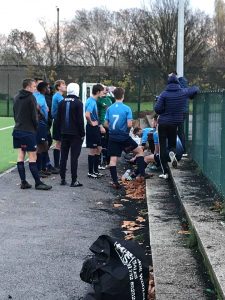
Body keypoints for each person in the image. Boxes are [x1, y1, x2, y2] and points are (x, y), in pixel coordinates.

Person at [155, 73, 199, 179]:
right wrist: (192, 96)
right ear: (178, 82)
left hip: (163, 123)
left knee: (162, 147)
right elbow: (195, 89)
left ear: (168, 83)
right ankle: (172, 152)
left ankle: (165, 172)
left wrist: (164, 110)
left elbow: (157, 109)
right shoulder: (183, 92)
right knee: (172, 144)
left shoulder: (164, 94)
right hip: (174, 124)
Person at [104, 87, 149, 189]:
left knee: (113, 160)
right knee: (139, 151)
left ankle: (115, 182)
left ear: (114, 96)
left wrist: (112, 129)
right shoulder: (126, 108)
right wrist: (126, 132)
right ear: (123, 96)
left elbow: (105, 124)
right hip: (124, 137)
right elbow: (129, 124)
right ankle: (142, 174)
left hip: (113, 137)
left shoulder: (110, 108)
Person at [12, 78, 52, 190]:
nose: (35, 88)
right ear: (28, 87)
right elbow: (35, 117)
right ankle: (38, 183)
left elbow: (15, 115)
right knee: (32, 157)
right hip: (28, 132)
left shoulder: (15, 97)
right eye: (34, 86)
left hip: (17, 130)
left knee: (20, 156)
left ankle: (24, 182)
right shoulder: (31, 98)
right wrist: (35, 128)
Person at [57, 83, 85, 187]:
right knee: (74, 157)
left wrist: (58, 133)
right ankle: (74, 180)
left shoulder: (61, 102)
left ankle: (62, 179)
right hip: (76, 134)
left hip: (64, 133)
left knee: (63, 156)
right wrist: (82, 133)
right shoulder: (78, 103)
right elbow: (80, 120)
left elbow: (58, 120)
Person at [85, 84, 105, 179]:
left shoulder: (94, 101)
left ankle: (96, 170)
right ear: (98, 92)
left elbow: (95, 115)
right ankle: (90, 172)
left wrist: (100, 126)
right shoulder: (91, 101)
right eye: (102, 91)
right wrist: (91, 123)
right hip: (91, 128)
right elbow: (87, 114)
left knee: (99, 148)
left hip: (96, 128)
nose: (103, 93)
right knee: (93, 150)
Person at [51, 79, 67, 170]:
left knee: (60, 143)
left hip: (60, 122)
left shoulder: (59, 96)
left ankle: (59, 164)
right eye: (63, 84)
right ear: (58, 87)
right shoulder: (58, 97)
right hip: (58, 122)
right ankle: (57, 165)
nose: (65, 86)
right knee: (58, 143)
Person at [97, 86, 113, 168]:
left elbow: (118, 98)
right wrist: (100, 125)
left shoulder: (109, 98)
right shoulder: (98, 100)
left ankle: (108, 160)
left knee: (108, 143)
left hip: (109, 124)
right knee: (102, 143)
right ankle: (100, 161)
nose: (106, 89)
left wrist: (111, 91)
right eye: (104, 89)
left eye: (106, 88)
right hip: (102, 124)